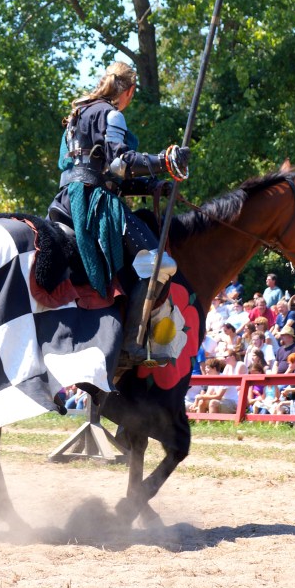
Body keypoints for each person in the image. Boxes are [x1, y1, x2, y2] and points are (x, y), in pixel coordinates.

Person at [48, 60, 189, 362]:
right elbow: (122, 162)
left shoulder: (78, 114)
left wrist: (151, 185)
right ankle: (130, 344)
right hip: (92, 202)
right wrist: (167, 159)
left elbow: (103, 170)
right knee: (158, 263)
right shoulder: (112, 114)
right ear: (130, 90)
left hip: (65, 199)